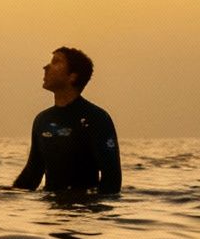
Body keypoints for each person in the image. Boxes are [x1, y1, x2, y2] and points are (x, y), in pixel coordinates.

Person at [11, 46, 120, 195]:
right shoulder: (42, 120)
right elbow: (32, 176)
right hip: (50, 213)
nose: (46, 67)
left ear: (72, 76)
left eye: (56, 62)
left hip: (85, 211)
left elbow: (112, 180)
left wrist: (92, 212)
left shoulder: (96, 118)